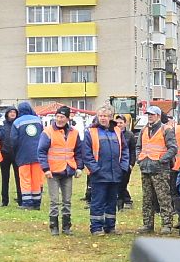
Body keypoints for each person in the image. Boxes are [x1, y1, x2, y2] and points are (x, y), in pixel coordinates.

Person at [78, 105, 129, 235]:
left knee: (112, 201)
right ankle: (96, 227)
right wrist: (95, 169)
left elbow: (124, 150)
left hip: (115, 173)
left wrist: (123, 167)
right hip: (98, 174)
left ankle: (110, 226)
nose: (103, 118)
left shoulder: (117, 131)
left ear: (110, 117)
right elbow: (87, 153)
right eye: (100, 116)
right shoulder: (91, 132)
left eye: (105, 116)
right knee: (98, 202)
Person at [38, 105, 81, 235]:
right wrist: (45, 169)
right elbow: (41, 151)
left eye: (62, 117)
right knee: (54, 201)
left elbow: (79, 151)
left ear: (68, 118)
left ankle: (66, 226)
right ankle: (54, 226)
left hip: (68, 170)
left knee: (67, 201)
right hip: (53, 171)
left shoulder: (74, 133)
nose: (59, 119)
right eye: (57, 116)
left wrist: (79, 167)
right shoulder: (48, 131)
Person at [136, 105, 178, 235]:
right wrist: (140, 159)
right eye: (148, 114)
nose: (149, 116)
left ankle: (167, 224)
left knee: (163, 198)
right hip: (146, 168)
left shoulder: (166, 130)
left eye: (152, 114)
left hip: (160, 170)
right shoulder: (143, 130)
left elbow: (173, 148)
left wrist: (161, 160)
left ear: (158, 116)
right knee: (147, 198)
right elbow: (139, 147)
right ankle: (147, 224)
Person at [11, 100, 44, 210]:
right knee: (36, 178)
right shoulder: (38, 120)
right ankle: (37, 202)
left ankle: (27, 203)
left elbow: (13, 140)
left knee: (25, 178)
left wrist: (15, 152)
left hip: (23, 154)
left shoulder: (17, 122)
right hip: (37, 154)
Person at [114, 113, 137, 210]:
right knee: (116, 183)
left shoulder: (130, 135)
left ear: (125, 124)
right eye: (117, 122)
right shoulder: (113, 133)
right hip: (115, 164)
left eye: (121, 122)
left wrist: (131, 164)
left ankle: (124, 201)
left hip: (126, 164)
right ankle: (120, 202)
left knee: (123, 183)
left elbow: (133, 150)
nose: (119, 124)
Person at [0, 106, 17, 206]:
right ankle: (4, 200)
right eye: (11, 112)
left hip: (16, 153)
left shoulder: (18, 123)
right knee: (5, 178)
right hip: (4, 153)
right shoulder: (2, 124)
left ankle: (21, 199)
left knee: (19, 178)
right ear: (7, 113)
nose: (12, 114)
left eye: (14, 112)